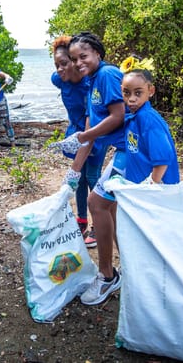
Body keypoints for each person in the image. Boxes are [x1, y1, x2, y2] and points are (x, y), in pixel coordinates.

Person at [51, 32, 125, 306]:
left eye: (83, 56)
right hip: (123, 152)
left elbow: (118, 117)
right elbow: (90, 132)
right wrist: (73, 172)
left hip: (134, 151)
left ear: (97, 53)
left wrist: (82, 137)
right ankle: (123, 268)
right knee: (106, 205)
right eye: (74, 59)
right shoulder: (93, 81)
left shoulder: (106, 75)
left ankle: (108, 277)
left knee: (99, 202)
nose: (78, 63)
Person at [50, 36, 107, 248]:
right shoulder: (59, 80)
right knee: (80, 179)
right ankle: (81, 221)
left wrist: (84, 137)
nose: (59, 69)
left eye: (64, 63)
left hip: (93, 133)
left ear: (74, 63)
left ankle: (100, 224)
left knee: (92, 175)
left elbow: (92, 124)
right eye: (56, 64)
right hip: (75, 131)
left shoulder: (88, 84)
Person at [120, 59, 180, 185]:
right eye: (126, 93)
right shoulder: (133, 117)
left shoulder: (148, 119)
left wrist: (151, 183)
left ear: (150, 91)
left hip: (154, 192)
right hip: (139, 188)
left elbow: (163, 158)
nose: (131, 99)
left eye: (138, 93)